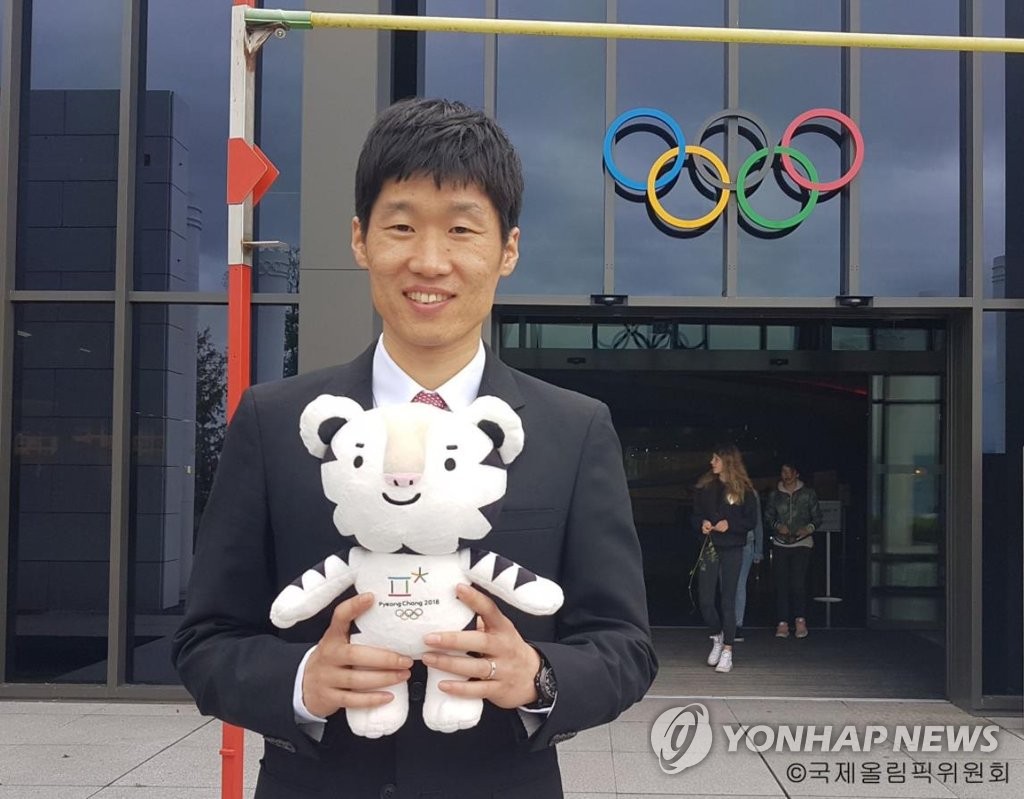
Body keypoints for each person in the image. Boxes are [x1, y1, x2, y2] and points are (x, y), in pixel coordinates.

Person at [172, 98, 657, 799]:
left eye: (462, 229)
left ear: (508, 250)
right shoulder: (278, 422)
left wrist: (539, 676)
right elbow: (206, 639)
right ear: (360, 239)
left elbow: (624, 645)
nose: (429, 261)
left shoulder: (573, 430)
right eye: (401, 226)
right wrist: (302, 681)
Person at [694, 444, 758, 674]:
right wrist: (702, 523)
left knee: (728, 599)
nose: (712, 462)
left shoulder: (744, 490)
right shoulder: (705, 486)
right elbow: (696, 514)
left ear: (728, 462)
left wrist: (730, 525)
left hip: (733, 547)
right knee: (705, 599)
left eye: (716, 459)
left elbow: (751, 520)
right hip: (710, 546)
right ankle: (717, 636)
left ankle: (728, 650)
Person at [765, 461, 823, 639]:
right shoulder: (775, 495)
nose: (787, 475)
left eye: (790, 471)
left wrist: (808, 529)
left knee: (798, 583)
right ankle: (782, 622)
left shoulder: (808, 493)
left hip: (802, 543)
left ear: (797, 473)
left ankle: (800, 619)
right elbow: (768, 516)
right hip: (780, 543)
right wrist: (778, 526)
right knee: (781, 583)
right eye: (784, 471)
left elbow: (818, 517)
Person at [733, 490, 764, 642]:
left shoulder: (750, 493)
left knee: (739, 584)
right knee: (727, 584)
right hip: (725, 542)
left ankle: (737, 624)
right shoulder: (720, 488)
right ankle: (730, 623)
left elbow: (757, 522)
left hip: (745, 543)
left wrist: (758, 550)